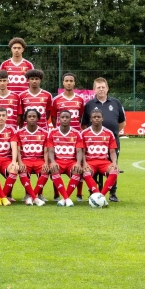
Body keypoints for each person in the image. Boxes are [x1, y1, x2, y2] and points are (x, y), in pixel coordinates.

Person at [80, 77, 125, 202]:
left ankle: (112, 193)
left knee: (113, 165)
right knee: (91, 165)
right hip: (93, 141)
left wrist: (112, 133)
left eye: (103, 87)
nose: (101, 89)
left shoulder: (116, 103)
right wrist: (94, 135)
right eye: (98, 87)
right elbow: (84, 124)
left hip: (112, 140)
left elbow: (122, 122)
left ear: (107, 88)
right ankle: (93, 192)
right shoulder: (89, 105)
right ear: (94, 89)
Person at [50, 72, 86, 200]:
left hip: (76, 137)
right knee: (55, 164)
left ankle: (79, 194)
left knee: (78, 164)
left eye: (71, 81)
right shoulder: (56, 100)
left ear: (74, 83)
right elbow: (53, 118)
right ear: (63, 83)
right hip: (60, 137)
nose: (69, 83)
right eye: (66, 81)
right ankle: (56, 194)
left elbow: (80, 116)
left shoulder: (80, 99)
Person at [80, 108, 119, 204]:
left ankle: (101, 196)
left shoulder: (109, 133)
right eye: (94, 117)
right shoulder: (84, 133)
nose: (96, 118)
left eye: (98, 117)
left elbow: (112, 151)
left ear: (102, 119)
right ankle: (98, 195)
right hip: (90, 162)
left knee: (114, 171)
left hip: (104, 162)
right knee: (86, 172)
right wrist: (84, 163)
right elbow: (82, 151)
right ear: (90, 119)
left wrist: (114, 163)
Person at [46, 110, 84, 206]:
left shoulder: (76, 133)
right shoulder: (52, 132)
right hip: (58, 161)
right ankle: (66, 198)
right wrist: (52, 161)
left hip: (71, 161)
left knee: (77, 170)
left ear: (70, 119)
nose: (65, 119)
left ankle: (64, 199)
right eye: (62, 117)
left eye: (67, 117)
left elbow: (79, 151)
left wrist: (78, 163)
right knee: (54, 168)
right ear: (59, 119)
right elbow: (50, 150)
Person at [15, 109, 48, 206]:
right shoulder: (19, 132)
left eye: (34, 116)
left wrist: (46, 163)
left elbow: (46, 151)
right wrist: (20, 162)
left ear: (38, 118)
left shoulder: (44, 133)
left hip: (39, 160)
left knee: (45, 170)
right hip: (25, 160)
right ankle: (33, 196)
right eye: (29, 116)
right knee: (22, 170)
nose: (32, 118)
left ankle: (34, 196)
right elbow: (18, 150)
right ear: (25, 119)